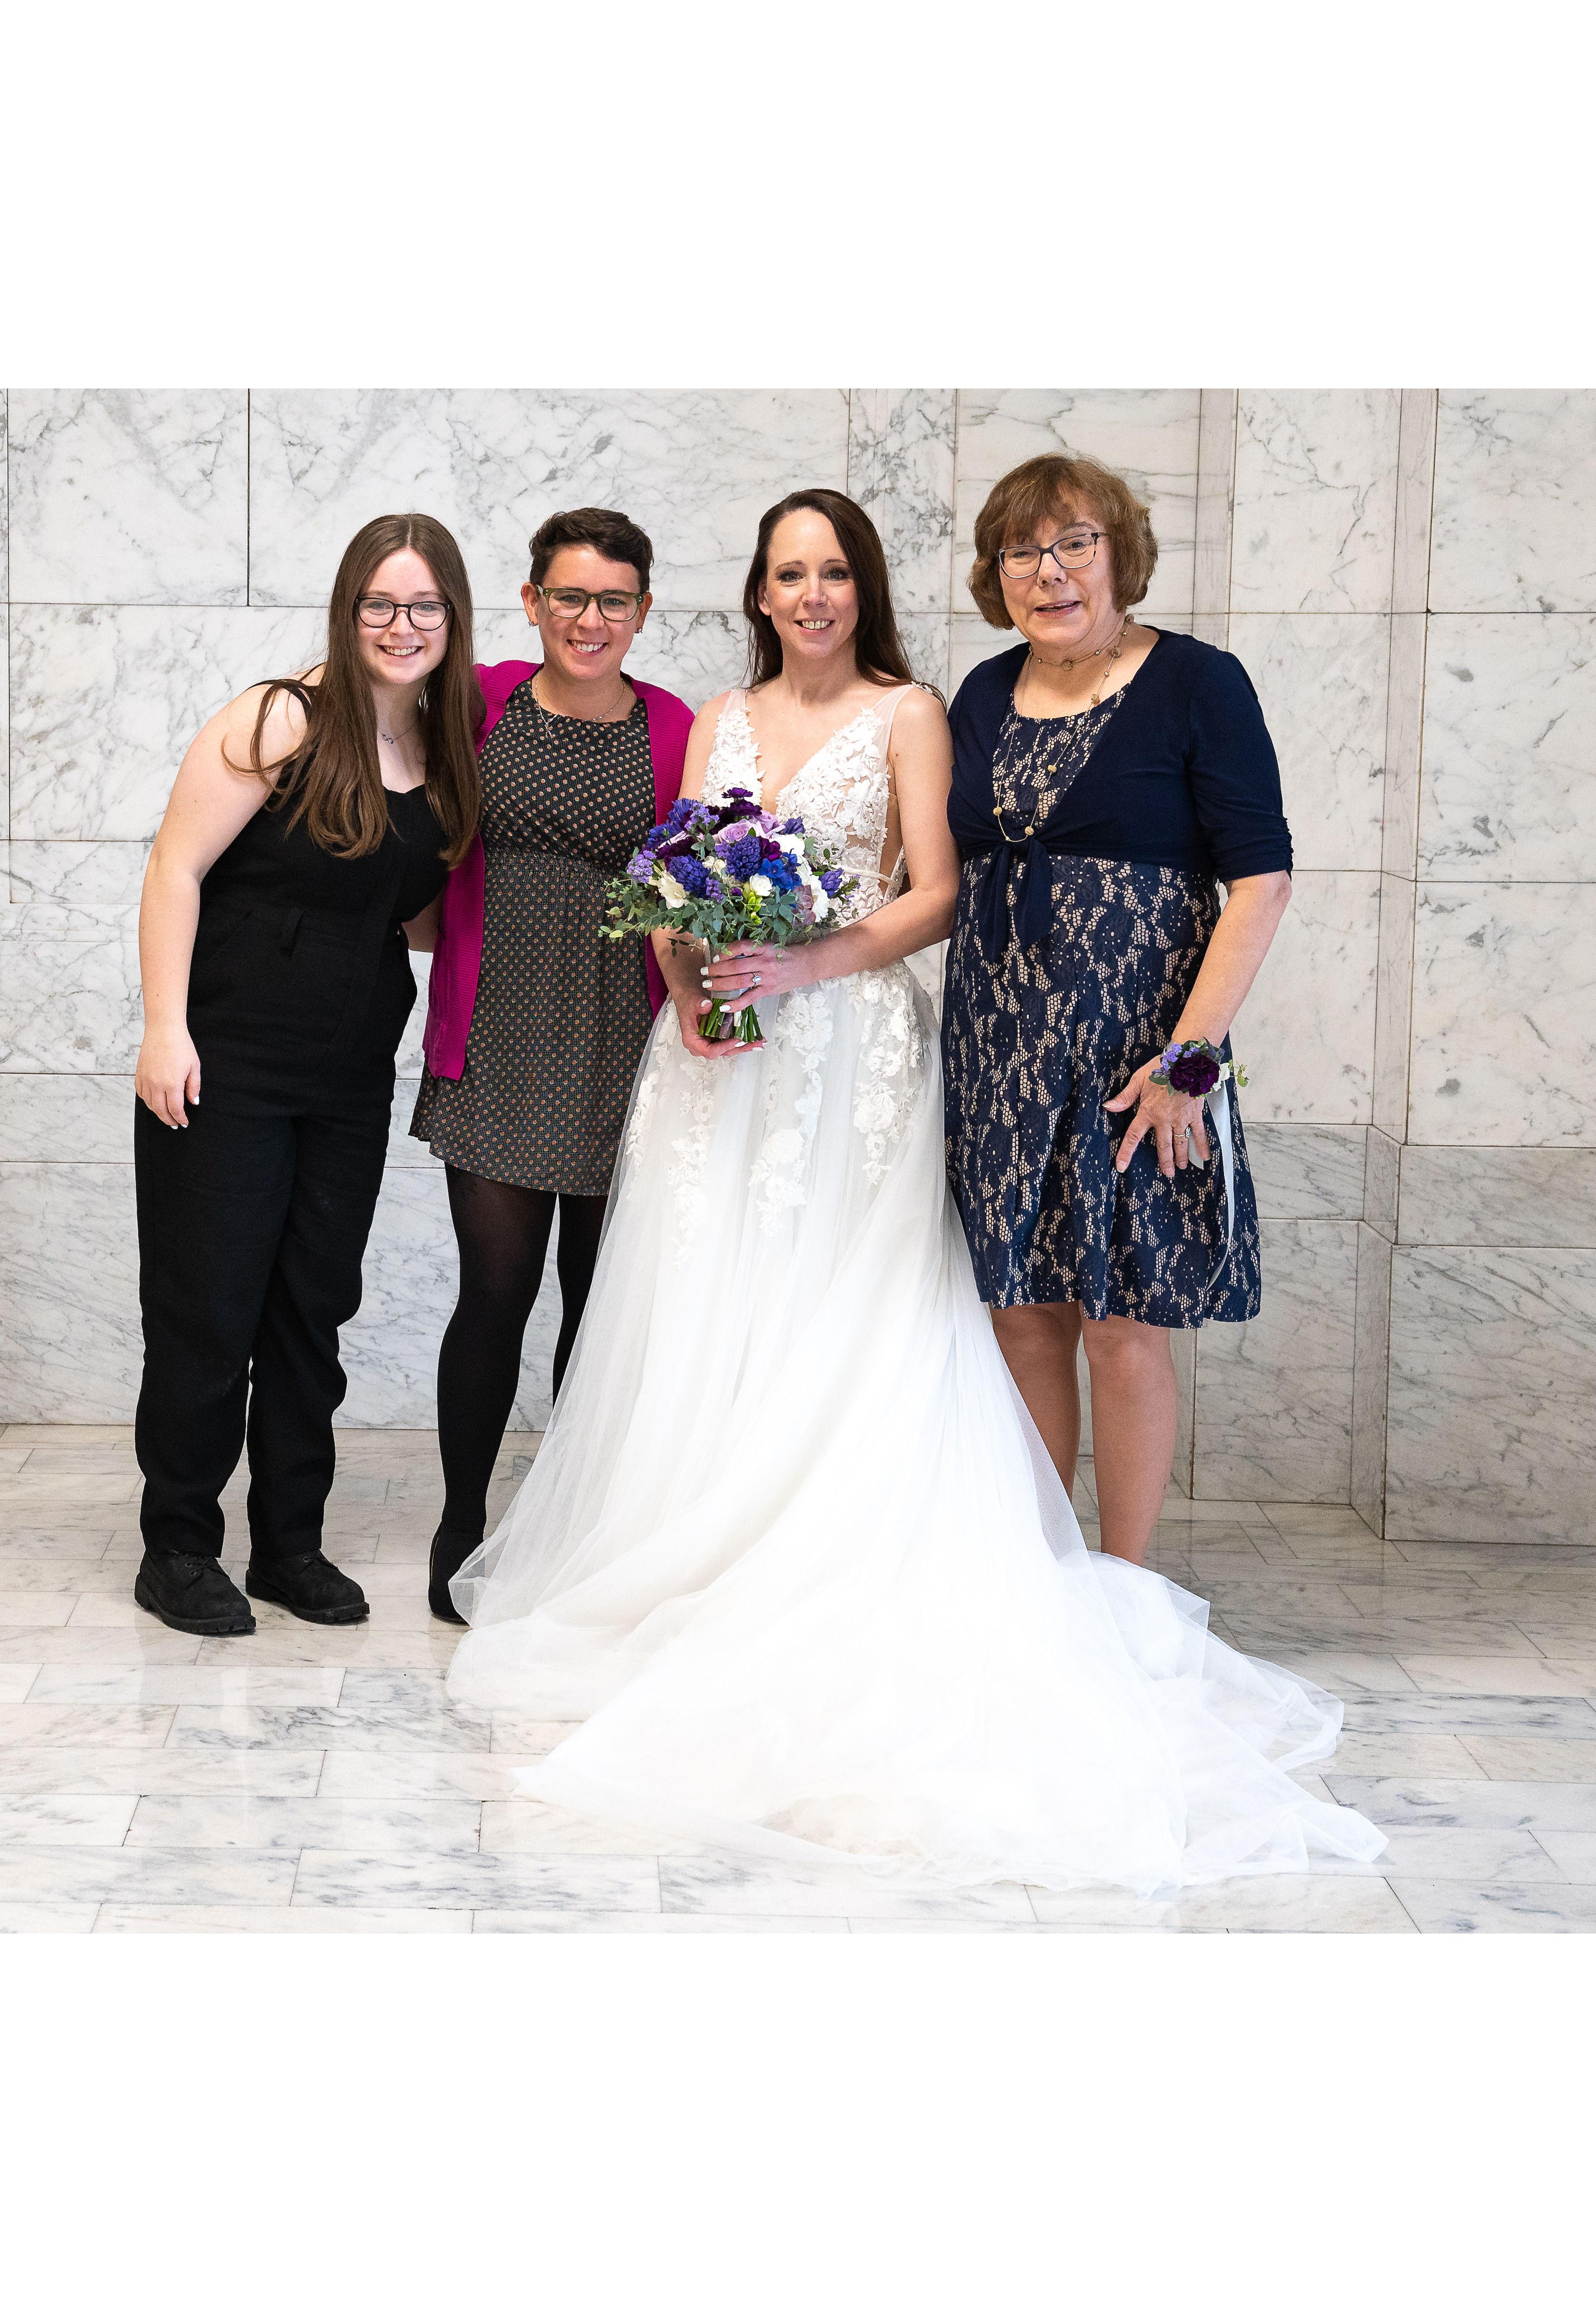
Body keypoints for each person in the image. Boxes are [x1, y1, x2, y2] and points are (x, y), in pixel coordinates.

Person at [441, 488, 1381, 1896]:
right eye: (785, 572)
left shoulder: (943, 705)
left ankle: (1085, 1586)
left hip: (932, 1043)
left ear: (862, 585)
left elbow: (954, 885)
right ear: (758, 591)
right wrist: (697, 983)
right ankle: (732, 1557)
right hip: (821, 1052)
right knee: (795, 1303)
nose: (809, 592)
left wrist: (815, 967)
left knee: (982, 1311)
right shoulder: (793, 709)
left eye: (831, 570)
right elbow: (692, 877)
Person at [128, 515, 477, 1637]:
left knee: (309, 1314)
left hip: (347, 1079)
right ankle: (179, 1548)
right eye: (381, 603)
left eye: (425, 606)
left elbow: (408, 914)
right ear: (348, 608)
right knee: (208, 1312)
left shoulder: (441, 745)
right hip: (224, 1066)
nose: (402, 625)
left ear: (453, 620)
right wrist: (163, 1031)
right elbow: (176, 866)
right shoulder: (281, 716)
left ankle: (288, 1545)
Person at [943, 454, 1293, 1567]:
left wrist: (1190, 1061)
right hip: (998, 1049)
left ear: (1119, 555)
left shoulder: (1200, 683)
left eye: (1073, 544)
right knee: (1022, 1313)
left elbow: (1263, 880)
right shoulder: (983, 693)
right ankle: (1046, 1576)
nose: (1048, 573)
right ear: (997, 575)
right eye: (1021, 552)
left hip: (1137, 1061)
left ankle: (1130, 1585)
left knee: (1127, 1323)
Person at [413, 509, 694, 1621]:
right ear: (531, 602)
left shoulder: (675, 725)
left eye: (613, 600)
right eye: (570, 597)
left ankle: (571, 1523)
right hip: (494, 1036)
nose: (591, 619)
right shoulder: (475, 701)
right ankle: (461, 1519)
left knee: (599, 1301)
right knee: (495, 1292)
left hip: (628, 1046)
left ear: (643, 611)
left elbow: (700, 877)